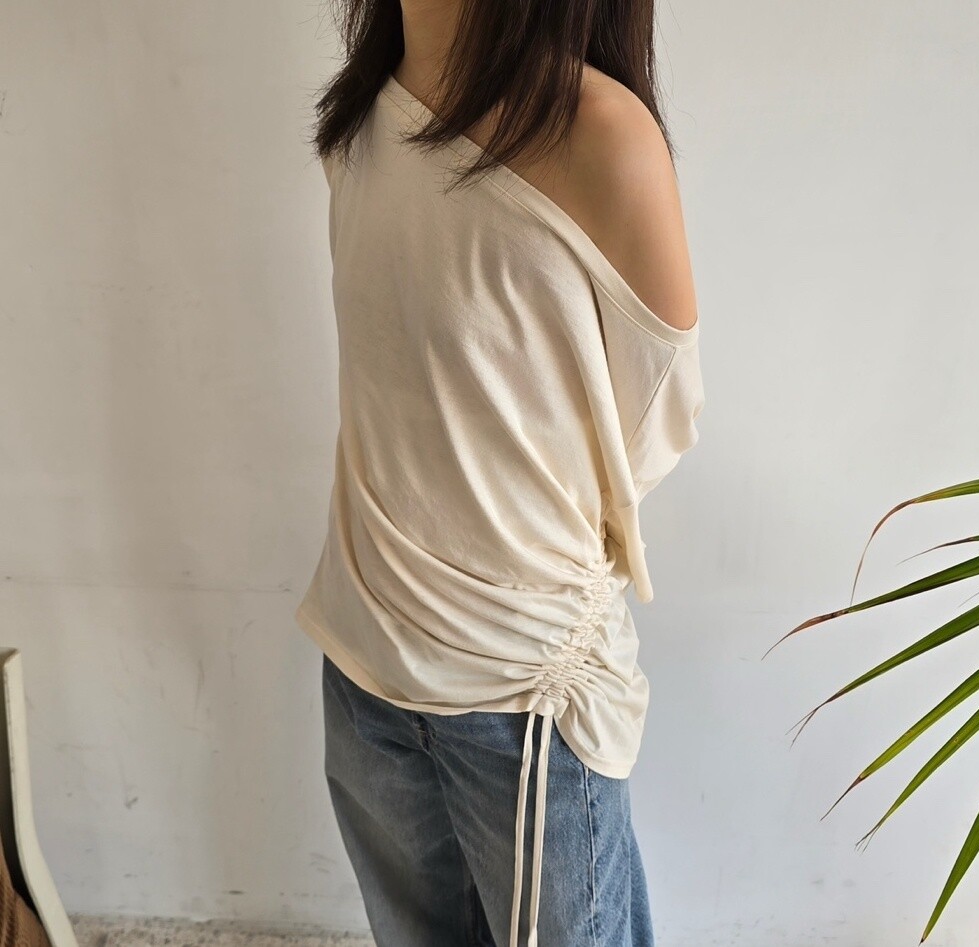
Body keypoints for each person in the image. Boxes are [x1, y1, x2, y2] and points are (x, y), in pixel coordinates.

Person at [298, 1, 705, 944]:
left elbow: (654, 428)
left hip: (523, 700)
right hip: (362, 664)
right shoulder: (364, 114)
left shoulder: (600, 136)